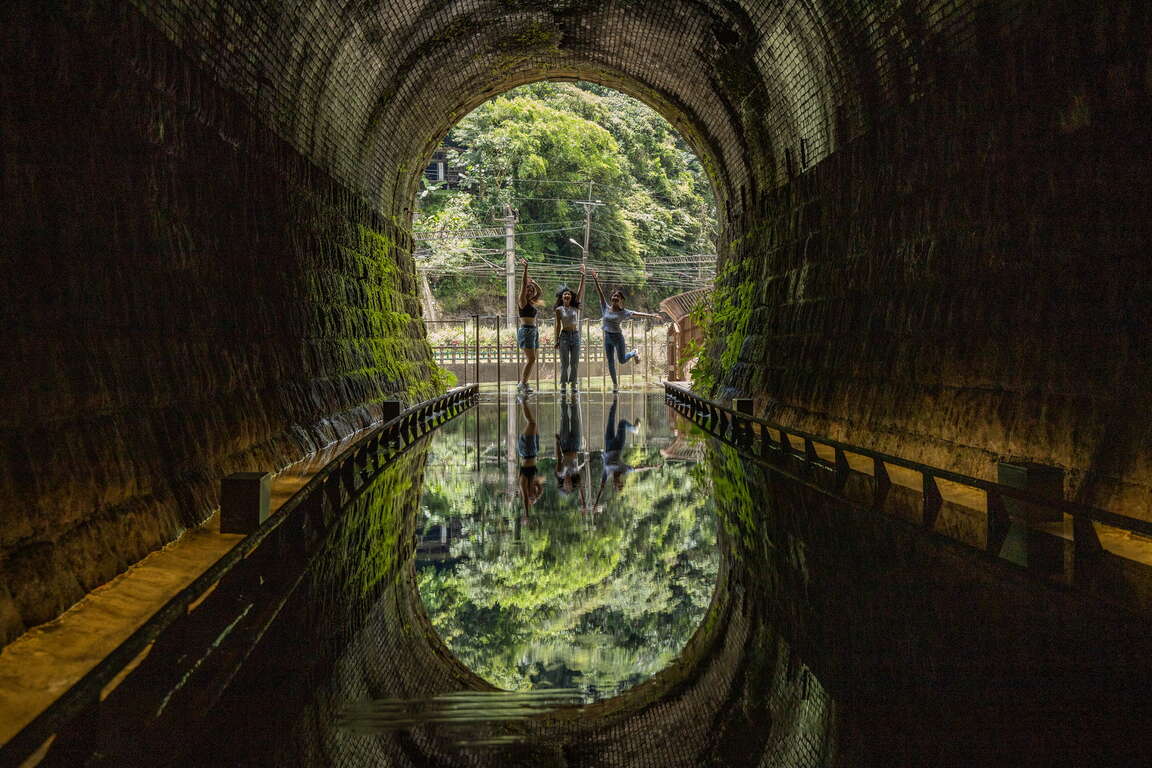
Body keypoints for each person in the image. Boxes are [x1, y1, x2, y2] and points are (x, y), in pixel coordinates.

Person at [591, 273, 662, 393]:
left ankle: (634, 352)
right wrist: (595, 279)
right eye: (614, 296)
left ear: (621, 300)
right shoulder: (605, 308)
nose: (615, 298)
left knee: (622, 360)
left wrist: (652, 315)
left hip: (618, 338)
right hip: (607, 337)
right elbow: (600, 294)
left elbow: (637, 313)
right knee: (610, 362)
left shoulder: (624, 312)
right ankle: (615, 385)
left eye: (617, 297)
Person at [594, 396, 656, 505]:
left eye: (618, 485)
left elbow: (601, 489)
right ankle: (634, 429)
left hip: (608, 445)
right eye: (621, 484)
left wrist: (596, 504)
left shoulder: (607, 474)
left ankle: (614, 396)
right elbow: (638, 469)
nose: (619, 483)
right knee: (622, 423)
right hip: (618, 445)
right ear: (622, 482)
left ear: (614, 484)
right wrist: (652, 467)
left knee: (610, 417)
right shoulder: (624, 470)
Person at [553, 265, 587, 392]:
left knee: (574, 362)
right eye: (564, 294)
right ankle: (563, 384)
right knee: (565, 362)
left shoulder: (574, 307)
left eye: (568, 294)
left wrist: (583, 276)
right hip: (564, 336)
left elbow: (580, 291)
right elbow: (557, 325)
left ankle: (573, 384)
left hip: (575, 336)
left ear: (571, 297)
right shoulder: (558, 310)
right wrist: (556, 340)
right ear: (562, 297)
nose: (567, 295)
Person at [515, 258, 543, 395]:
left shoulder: (532, 302)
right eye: (528, 289)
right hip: (526, 331)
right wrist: (525, 270)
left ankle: (524, 383)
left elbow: (540, 292)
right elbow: (522, 285)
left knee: (533, 359)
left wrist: (534, 283)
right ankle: (522, 383)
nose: (531, 291)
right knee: (531, 359)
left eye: (531, 290)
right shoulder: (522, 301)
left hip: (533, 331)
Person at [554, 392, 586, 503]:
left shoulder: (559, 473)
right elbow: (581, 486)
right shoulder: (576, 474)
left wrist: (557, 442)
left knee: (565, 420)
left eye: (565, 486)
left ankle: (563, 398)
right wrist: (582, 500)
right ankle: (573, 398)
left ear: (562, 484)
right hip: (576, 445)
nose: (568, 484)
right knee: (575, 420)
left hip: (565, 445)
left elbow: (559, 458)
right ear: (572, 484)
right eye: (570, 486)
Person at [518, 397, 544, 513]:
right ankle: (522, 401)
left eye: (531, 498)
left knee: (532, 423)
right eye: (534, 498)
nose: (533, 496)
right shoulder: (535, 482)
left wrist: (527, 513)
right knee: (534, 424)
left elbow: (524, 499)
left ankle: (522, 400)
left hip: (527, 452)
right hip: (534, 451)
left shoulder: (523, 482)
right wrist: (537, 496)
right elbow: (541, 489)